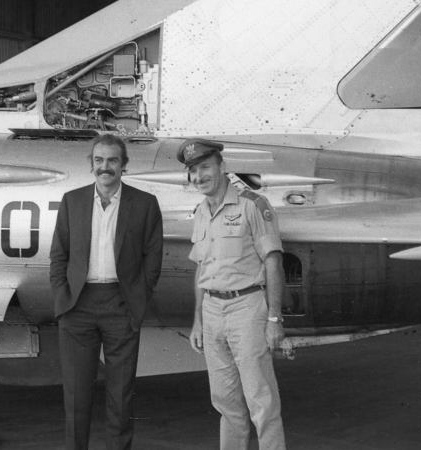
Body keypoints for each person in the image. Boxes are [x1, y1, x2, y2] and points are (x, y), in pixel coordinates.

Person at [50, 133, 164, 450]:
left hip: (120, 305)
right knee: (76, 394)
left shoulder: (144, 204)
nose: (105, 167)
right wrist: (63, 298)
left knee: (121, 394)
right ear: (92, 165)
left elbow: (152, 260)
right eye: (99, 160)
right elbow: (58, 255)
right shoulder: (72, 201)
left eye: (112, 160)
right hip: (78, 306)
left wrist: (137, 299)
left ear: (123, 165)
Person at [179, 138, 287, 450]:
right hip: (212, 312)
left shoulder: (253, 204)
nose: (199, 176)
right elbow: (203, 269)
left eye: (205, 167)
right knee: (225, 403)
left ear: (222, 166)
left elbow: (273, 260)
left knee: (261, 402)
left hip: (247, 308)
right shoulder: (200, 211)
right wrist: (198, 320)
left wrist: (274, 319)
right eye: (193, 171)